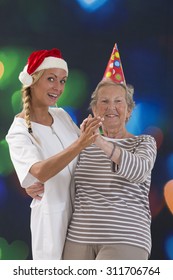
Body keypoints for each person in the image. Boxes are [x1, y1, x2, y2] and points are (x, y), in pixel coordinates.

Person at [27, 79, 157, 260]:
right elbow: (62, 172)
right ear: (95, 110)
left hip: (126, 236)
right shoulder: (81, 145)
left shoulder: (143, 142)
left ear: (129, 111)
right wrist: (35, 183)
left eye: (118, 101)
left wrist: (100, 141)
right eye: (104, 101)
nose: (111, 107)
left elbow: (139, 171)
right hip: (78, 238)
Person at [5, 48, 101, 260]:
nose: (58, 87)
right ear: (33, 80)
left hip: (83, 221)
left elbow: (85, 154)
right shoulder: (19, 130)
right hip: (53, 224)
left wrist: (90, 136)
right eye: (51, 79)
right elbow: (37, 172)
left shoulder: (61, 115)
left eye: (63, 81)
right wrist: (79, 144)